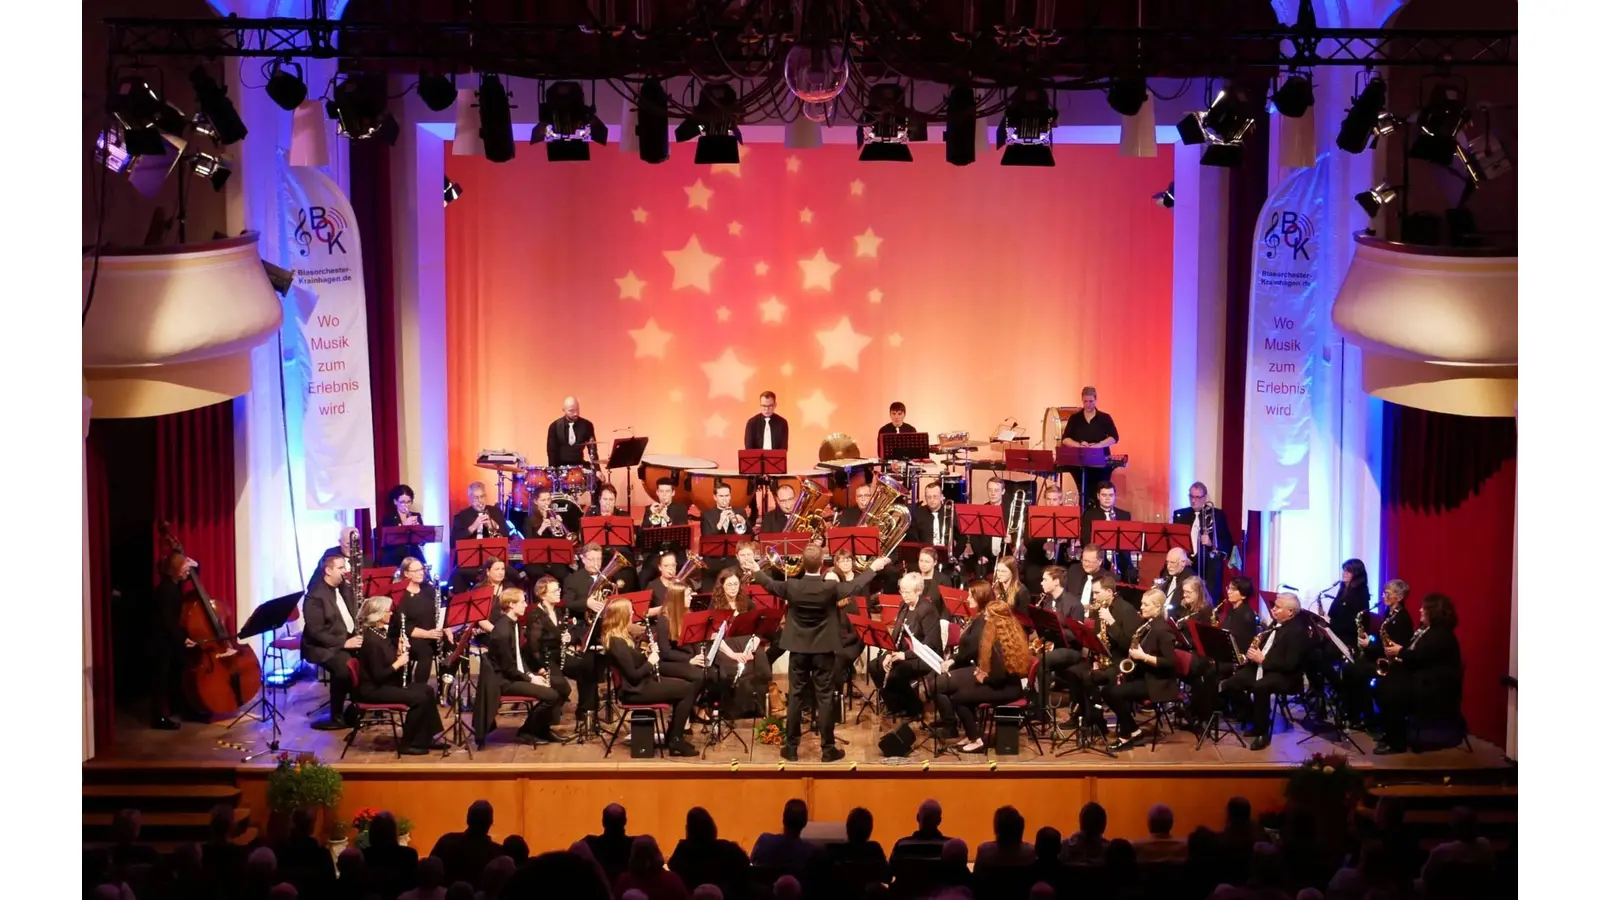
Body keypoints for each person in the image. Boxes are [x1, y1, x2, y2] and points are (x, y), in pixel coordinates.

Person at [744, 545, 887, 762]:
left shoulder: (792, 585)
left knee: (796, 696)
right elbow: (855, 585)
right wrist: (874, 568)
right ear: (822, 564)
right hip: (823, 650)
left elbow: (770, 585)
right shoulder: (829, 587)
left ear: (802, 563)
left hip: (799, 649)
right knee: (825, 697)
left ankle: (791, 748)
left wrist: (755, 568)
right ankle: (828, 749)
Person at [602, 598, 698, 756]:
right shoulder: (616, 643)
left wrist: (647, 654)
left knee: (687, 685)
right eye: (630, 611)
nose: (633, 613)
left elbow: (633, 664)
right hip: (634, 691)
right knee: (687, 689)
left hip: (642, 684)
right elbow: (633, 676)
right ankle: (675, 740)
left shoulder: (622, 637)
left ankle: (674, 736)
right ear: (621, 616)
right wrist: (651, 662)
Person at [476, 586, 569, 746]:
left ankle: (541, 729)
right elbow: (508, 668)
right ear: (511, 604)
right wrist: (531, 679)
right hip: (504, 681)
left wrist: (533, 675)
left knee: (557, 688)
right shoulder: (503, 631)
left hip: (514, 675)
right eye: (523, 601)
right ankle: (527, 731)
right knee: (551, 696)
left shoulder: (514, 624)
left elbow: (518, 657)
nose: (526, 605)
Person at [940, 590, 1032, 753]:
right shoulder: (1008, 635)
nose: (986, 619)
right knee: (961, 690)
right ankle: (972, 735)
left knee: (959, 697)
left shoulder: (999, 645)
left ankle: (976, 740)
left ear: (998, 620)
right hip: (1004, 683)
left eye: (989, 616)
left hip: (1006, 689)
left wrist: (983, 677)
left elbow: (998, 678)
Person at [1374, 592, 1463, 754]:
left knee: (1391, 691)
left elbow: (1421, 655)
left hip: (1433, 686)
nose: (1420, 610)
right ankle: (1391, 733)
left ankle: (1396, 742)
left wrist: (1399, 652)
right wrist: (1399, 652)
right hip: (1422, 677)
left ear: (1434, 612)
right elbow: (1417, 655)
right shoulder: (1427, 630)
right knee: (1385, 684)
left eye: (1424, 608)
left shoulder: (1441, 634)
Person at [354, 596, 445, 755]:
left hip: (386, 683)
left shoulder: (380, 634)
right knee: (419, 698)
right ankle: (408, 743)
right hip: (374, 690)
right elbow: (378, 675)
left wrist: (398, 648)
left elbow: (386, 656)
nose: (391, 613)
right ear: (379, 615)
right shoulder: (372, 641)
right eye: (388, 611)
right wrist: (399, 662)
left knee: (426, 690)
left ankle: (426, 738)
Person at [1220, 591, 1310, 750]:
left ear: (1290, 612)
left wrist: (1263, 660)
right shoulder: (1276, 624)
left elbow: (1290, 664)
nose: (1273, 609)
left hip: (1284, 675)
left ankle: (1262, 733)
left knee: (1260, 687)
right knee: (1230, 684)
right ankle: (1254, 717)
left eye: (1277, 607)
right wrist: (1253, 653)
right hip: (1262, 667)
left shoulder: (1298, 631)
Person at [1104, 588, 1180, 750]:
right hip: (1144, 676)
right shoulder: (1147, 624)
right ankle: (1133, 731)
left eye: (1146, 605)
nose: (1142, 608)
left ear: (1158, 608)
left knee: (1115, 693)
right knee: (1107, 690)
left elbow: (1170, 663)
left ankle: (1127, 736)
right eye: (1142, 604)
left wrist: (1143, 657)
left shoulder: (1163, 630)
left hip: (1158, 682)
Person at [868, 570, 944, 719]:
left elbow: (930, 644)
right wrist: (889, 654)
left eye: (908, 592)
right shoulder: (903, 605)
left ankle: (914, 708)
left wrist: (904, 655)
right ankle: (895, 705)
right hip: (902, 652)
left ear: (919, 591)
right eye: (902, 591)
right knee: (874, 666)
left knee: (897, 674)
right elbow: (897, 633)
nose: (904, 595)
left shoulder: (927, 610)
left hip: (925, 656)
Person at [1343, 578, 1415, 729]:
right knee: (1351, 668)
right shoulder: (1390, 614)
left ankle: (1366, 717)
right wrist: (1368, 641)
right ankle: (1356, 713)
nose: (1383, 596)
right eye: (1384, 593)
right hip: (1380, 657)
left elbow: (1390, 649)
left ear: (1400, 597)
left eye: (1387, 593)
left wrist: (1370, 645)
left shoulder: (1402, 618)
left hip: (1392, 665)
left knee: (1358, 671)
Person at [303, 554, 362, 730]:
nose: (346, 571)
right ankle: (335, 715)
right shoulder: (314, 597)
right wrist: (344, 643)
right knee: (344, 669)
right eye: (341, 568)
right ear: (328, 571)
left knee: (371, 658)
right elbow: (316, 632)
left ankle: (357, 708)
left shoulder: (344, 588)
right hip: (323, 646)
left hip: (347, 639)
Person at [706, 570, 767, 717]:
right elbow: (714, 635)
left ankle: (755, 708)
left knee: (762, 667)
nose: (733, 588)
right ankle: (733, 711)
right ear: (722, 586)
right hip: (725, 646)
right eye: (729, 585)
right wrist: (733, 655)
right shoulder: (715, 605)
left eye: (735, 584)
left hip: (746, 644)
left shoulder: (746, 602)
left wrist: (751, 649)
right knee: (729, 669)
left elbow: (757, 630)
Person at [149, 551, 198, 729]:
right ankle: (158, 718)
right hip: (161, 641)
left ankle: (176, 708)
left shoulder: (174, 584)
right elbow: (167, 621)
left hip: (170, 639)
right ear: (176, 570)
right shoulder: (165, 590)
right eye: (185, 567)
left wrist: (196, 565)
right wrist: (183, 638)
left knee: (173, 676)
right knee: (160, 680)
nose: (188, 571)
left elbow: (193, 576)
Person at [1172, 482, 1235, 602]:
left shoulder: (1217, 514)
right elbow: (1176, 540)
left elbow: (1228, 542)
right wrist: (1183, 557)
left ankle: (1209, 609)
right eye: (1191, 496)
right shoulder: (1180, 514)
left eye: (1197, 497)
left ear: (1205, 498)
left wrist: (1212, 543)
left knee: (1213, 571)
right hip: (1187, 561)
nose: (1193, 501)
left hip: (1208, 562)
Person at [393, 556, 446, 691]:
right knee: (425, 651)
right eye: (416, 570)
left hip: (433, 633)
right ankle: (418, 690)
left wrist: (446, 629)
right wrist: (427, 634)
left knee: (454, 647)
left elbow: (439, 611)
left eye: (421, 569)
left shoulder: (428, 589)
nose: (421, 573)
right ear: (406, 573)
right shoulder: (400, 594)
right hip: (410, 636)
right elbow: (404, 626)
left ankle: (444, 688)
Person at [1060, 386, 1119, 502]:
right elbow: (1065, 439)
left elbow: (1114, 437)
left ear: (1096, 400)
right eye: (1085, 401)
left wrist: (1099, 445)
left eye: (1091, 401)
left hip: (1100, 461)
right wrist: (1079, 445)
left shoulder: (1104, 417)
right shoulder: (1075, 418)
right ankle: (1085, 515)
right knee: (1084, 494)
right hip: (1080, 462)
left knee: (1099, 491)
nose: (1088, 404)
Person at [449, 482, 508, 590]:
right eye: (476, 498)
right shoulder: (461, 516)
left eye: (482, 497)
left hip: (493, 560)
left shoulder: (495, 512)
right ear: (470, 499)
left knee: (514, 574)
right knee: (457, 576)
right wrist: (473, 527)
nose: (480, 501)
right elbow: (453, 542)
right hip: (470, 562)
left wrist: (495, 526)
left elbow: (507, 536)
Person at [751, 799, 821, 879]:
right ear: (805, 823)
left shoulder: (764, 841)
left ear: (783, 819)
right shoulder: (812, 854)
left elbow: (753, 864)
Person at [639, 478, 690, 586]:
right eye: (661, 491)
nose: (664, 495)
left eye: (667, 491)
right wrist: (649, 517)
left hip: (675, 553)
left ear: (673, 493)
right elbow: (641, 538)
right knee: (643, 576)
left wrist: (667, 518)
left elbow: (682, 533)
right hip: (655, 554)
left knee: (687, 578)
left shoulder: (681, 509)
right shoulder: (649, 509)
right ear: (657, 493)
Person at [1081, 482, 1134, 579]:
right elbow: (1086, 540)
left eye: (1111, 495)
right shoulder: (1089, 515)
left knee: (1131, 574)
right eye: (1104, 495)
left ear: (1115, 496)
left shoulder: (1125, 515)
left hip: (1121, 560)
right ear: (1098, 496)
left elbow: (1128, 542)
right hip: (1099, 560)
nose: (1107, 498)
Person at [379, 484, 428, 566]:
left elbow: (422, 543)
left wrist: (418, 530)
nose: (406, 505)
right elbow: (388, 542)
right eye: (402, 502)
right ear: (395, 502)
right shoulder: (388, 518)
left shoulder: (416, 516)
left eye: (409, 502)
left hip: (413, 554)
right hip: (395, 555)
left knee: (422, 568)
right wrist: (404, 525)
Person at [548, 396, 597, 467]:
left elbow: (593, 451)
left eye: (577, 409)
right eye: (571, 410)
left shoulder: (587, 425)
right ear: (564, 410)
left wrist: (598, 470)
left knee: (597, 477)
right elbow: (551, 452)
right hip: (561, 467)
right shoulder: (554, 426)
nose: (576, 413)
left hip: (580, 465)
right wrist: (553, 472)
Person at [1155, 548, 1197, 618]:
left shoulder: (1190, 580)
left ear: (1183, 562)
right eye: (1167, 562)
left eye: (1172, 562)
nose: (1168, 566)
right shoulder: (1167, 573)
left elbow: (1183, 609)